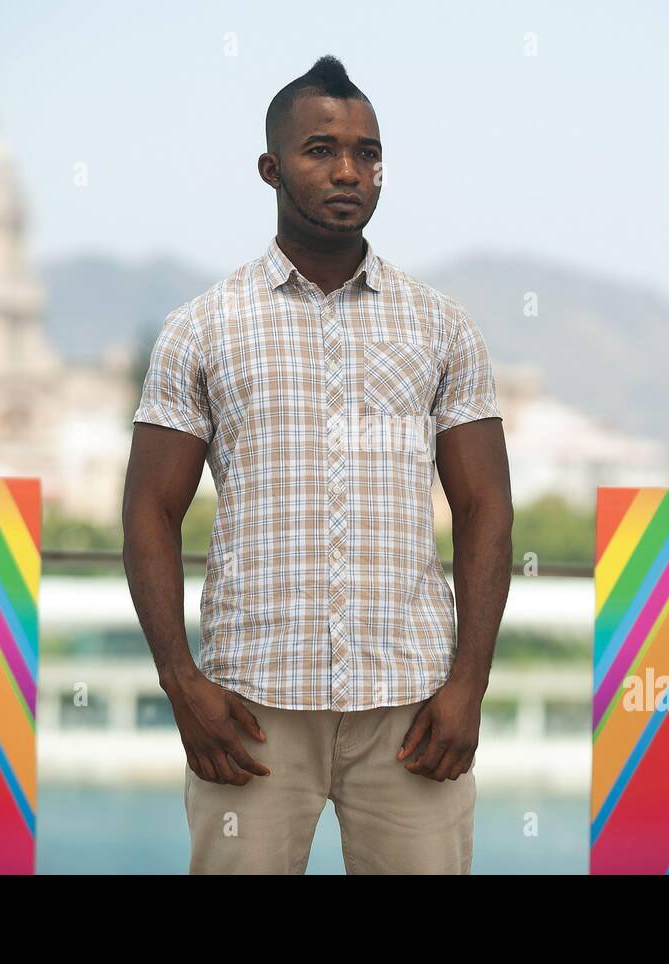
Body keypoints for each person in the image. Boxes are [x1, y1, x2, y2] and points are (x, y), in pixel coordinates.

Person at [122, 54, 513, 874]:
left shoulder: (442, 327)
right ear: (271, 168)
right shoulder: (203, 328)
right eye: (321, 150)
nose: (348, 171)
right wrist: (180, 683)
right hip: (249, 710)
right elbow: (148, 513)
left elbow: (485, 510)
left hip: (412, 708)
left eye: (367, 154)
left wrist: (467, 686)